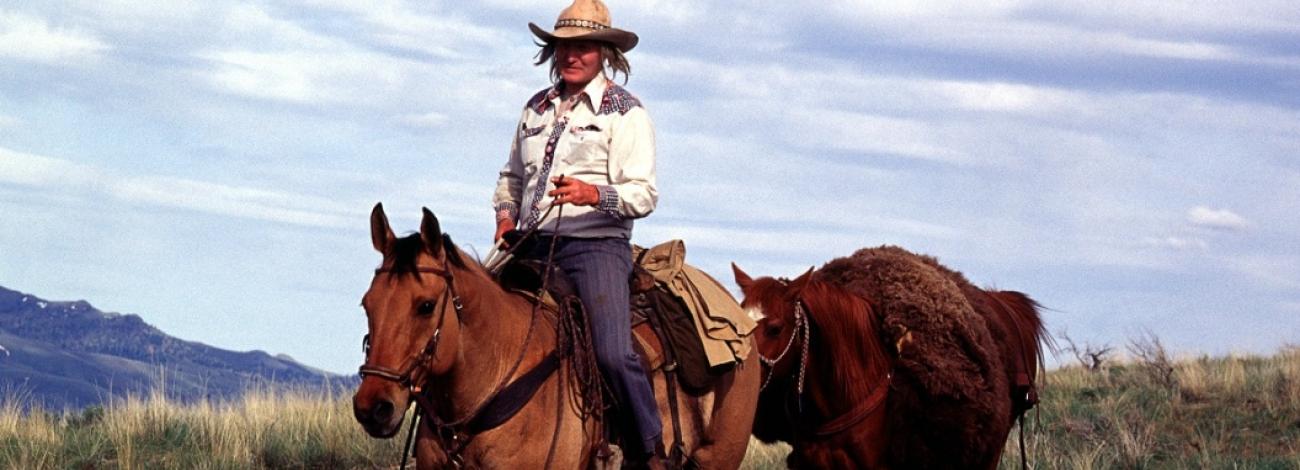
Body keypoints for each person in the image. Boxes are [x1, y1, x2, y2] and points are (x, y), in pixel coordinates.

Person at [491, 0, 663, 466]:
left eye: (584, 46)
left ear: (604, 52)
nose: (572, 55)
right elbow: (510, 178)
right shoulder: (535, 108)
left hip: (596, 247)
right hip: (529, 243)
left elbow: (644, 194)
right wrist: (505, 219)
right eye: (563, 45)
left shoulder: (625, 112)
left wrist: (594, 194)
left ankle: (650, 450)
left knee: (611, 350)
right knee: (467, 312)